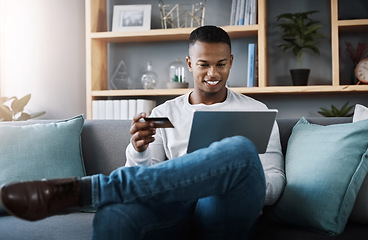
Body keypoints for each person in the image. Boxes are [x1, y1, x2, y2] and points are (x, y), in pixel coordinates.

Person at [0, 25, 285, 240]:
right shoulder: (165, 113)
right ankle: (99, 194)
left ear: (231, 61)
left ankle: (93, 189)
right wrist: (138, 151)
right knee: (116, 215)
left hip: (226, 208)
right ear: (189, 64)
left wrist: (225, 176)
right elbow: (150, 179)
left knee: (238, 150)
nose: (213, 72)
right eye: (203, 64)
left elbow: (275, 180)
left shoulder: (257, 111)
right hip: (177, 207)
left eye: (221, 64)